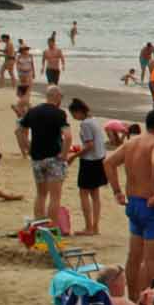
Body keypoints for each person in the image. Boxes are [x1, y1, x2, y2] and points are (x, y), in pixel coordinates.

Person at [108, 106, 154, 297]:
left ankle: (133, 297)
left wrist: (117, 191)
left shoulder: (132, 142)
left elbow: (109, 162)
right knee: (151, 260)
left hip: (134, 204)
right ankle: (150, 300)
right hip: (152, 205)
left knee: (134, 256)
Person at [19, 85, 72, 233]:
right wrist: (64, 154)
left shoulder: (33, 111)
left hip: (37, 158)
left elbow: (20, 130)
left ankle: (39, 225)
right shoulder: (59, 113)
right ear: (58, 97)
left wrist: (28, 147)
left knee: (41, 194)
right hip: (53, 158)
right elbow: (68, 136)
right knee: (55, 196)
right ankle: (52, 226)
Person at [67, 98, 108, 236]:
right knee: (95, 194)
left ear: (79, 112)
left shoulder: (85, 124)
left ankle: (89, 227)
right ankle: (95, 226)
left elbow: (89, 145)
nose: (74, 117)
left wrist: (73, 156)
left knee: (84, 193)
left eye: (73, 114)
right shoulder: (94, 120)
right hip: (99, 159)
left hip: (89, 162)